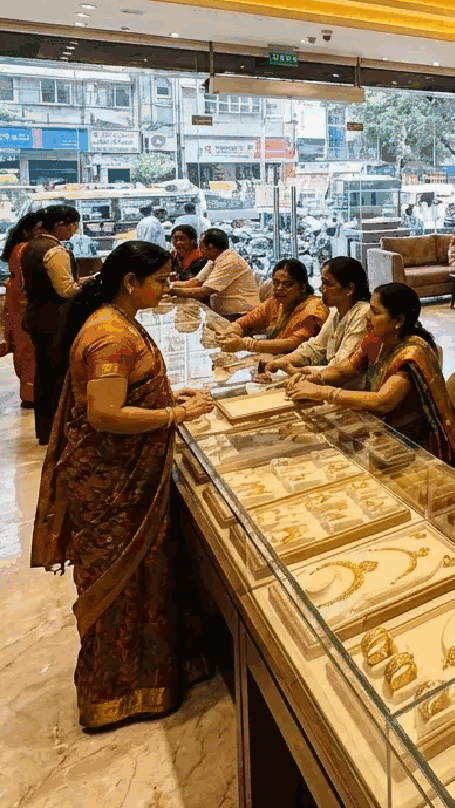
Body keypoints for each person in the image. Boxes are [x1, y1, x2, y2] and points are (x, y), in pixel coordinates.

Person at [30, 241, 216, 728]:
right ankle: (119, 690)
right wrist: (174, 413)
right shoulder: (110, 336)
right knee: (124, 584)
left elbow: (131, 387)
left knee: (150, 577)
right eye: (160, 280)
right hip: (113, 482)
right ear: (131, 282)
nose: (167, 288)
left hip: (129, 473)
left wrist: (172, 395)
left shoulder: (116, 319)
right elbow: (105, 413)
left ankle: (153, 677)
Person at [285, 282, 455, 470]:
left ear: (399, 321)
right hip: (380, 433)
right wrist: (311, 378)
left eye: (376, 313)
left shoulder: (412, 353)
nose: (368, 317)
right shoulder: (375, 340)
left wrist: (322, 393)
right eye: (370, 310)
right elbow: (343, 370)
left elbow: (382, 401)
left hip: (414, 445)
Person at [23, 203, 84, 446]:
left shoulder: (31, 246)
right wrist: (88, 286)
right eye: (73, 225)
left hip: (37, 316)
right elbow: (66, 290)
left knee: (44, 375)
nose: (74, 230)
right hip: (55, 319)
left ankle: (46, 430)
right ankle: (59, 431)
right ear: (60, 225)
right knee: (59, 375)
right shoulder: (54, 250)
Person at [261, 257, 372, 382]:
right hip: (328, 380)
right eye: (276, 283)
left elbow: (340, 367)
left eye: (328, 284)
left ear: (349, 289)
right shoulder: (336, 313)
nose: (321, 288)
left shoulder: (363, 314)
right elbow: (314, 348)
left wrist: (295, 370)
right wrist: (282, 362)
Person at [218, 259, 328, 356]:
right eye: (276, 283)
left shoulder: (314, 308)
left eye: (287, 285)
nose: (279, 288)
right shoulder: (275, 303)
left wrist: (246, 344)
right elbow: (244, 322)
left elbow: (293, 343)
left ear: (302, 287)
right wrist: (231, 332)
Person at [1, 211, 45, 407]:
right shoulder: (26, 249)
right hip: (23, 303)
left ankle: (30, 393)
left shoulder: (18, 247)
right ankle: (30, 395)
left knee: (24, 348)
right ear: (32, 230)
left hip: (16, 301)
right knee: (28, 349)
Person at [172, 228, 261, 318]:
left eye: (201, 247)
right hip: (226, 314)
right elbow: (195, 282)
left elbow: (206, 292)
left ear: (210, 246)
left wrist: (172, 291)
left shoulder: (230, 260)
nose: (200, 251)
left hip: (241, 314)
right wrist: (169, 285)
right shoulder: (214, 260)